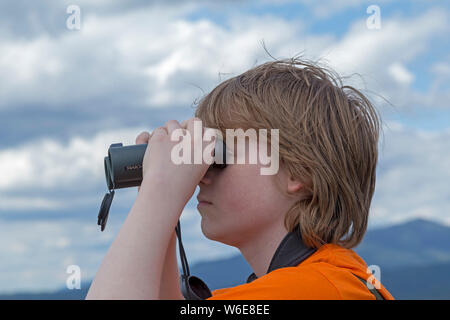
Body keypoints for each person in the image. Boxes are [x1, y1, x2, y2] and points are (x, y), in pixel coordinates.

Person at [86, 56, 394, 300]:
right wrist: (157, 200)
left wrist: (160, 195)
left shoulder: (315, 290)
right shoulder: (321, 281)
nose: (201, 176)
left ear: (299, 172)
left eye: (220, 153)